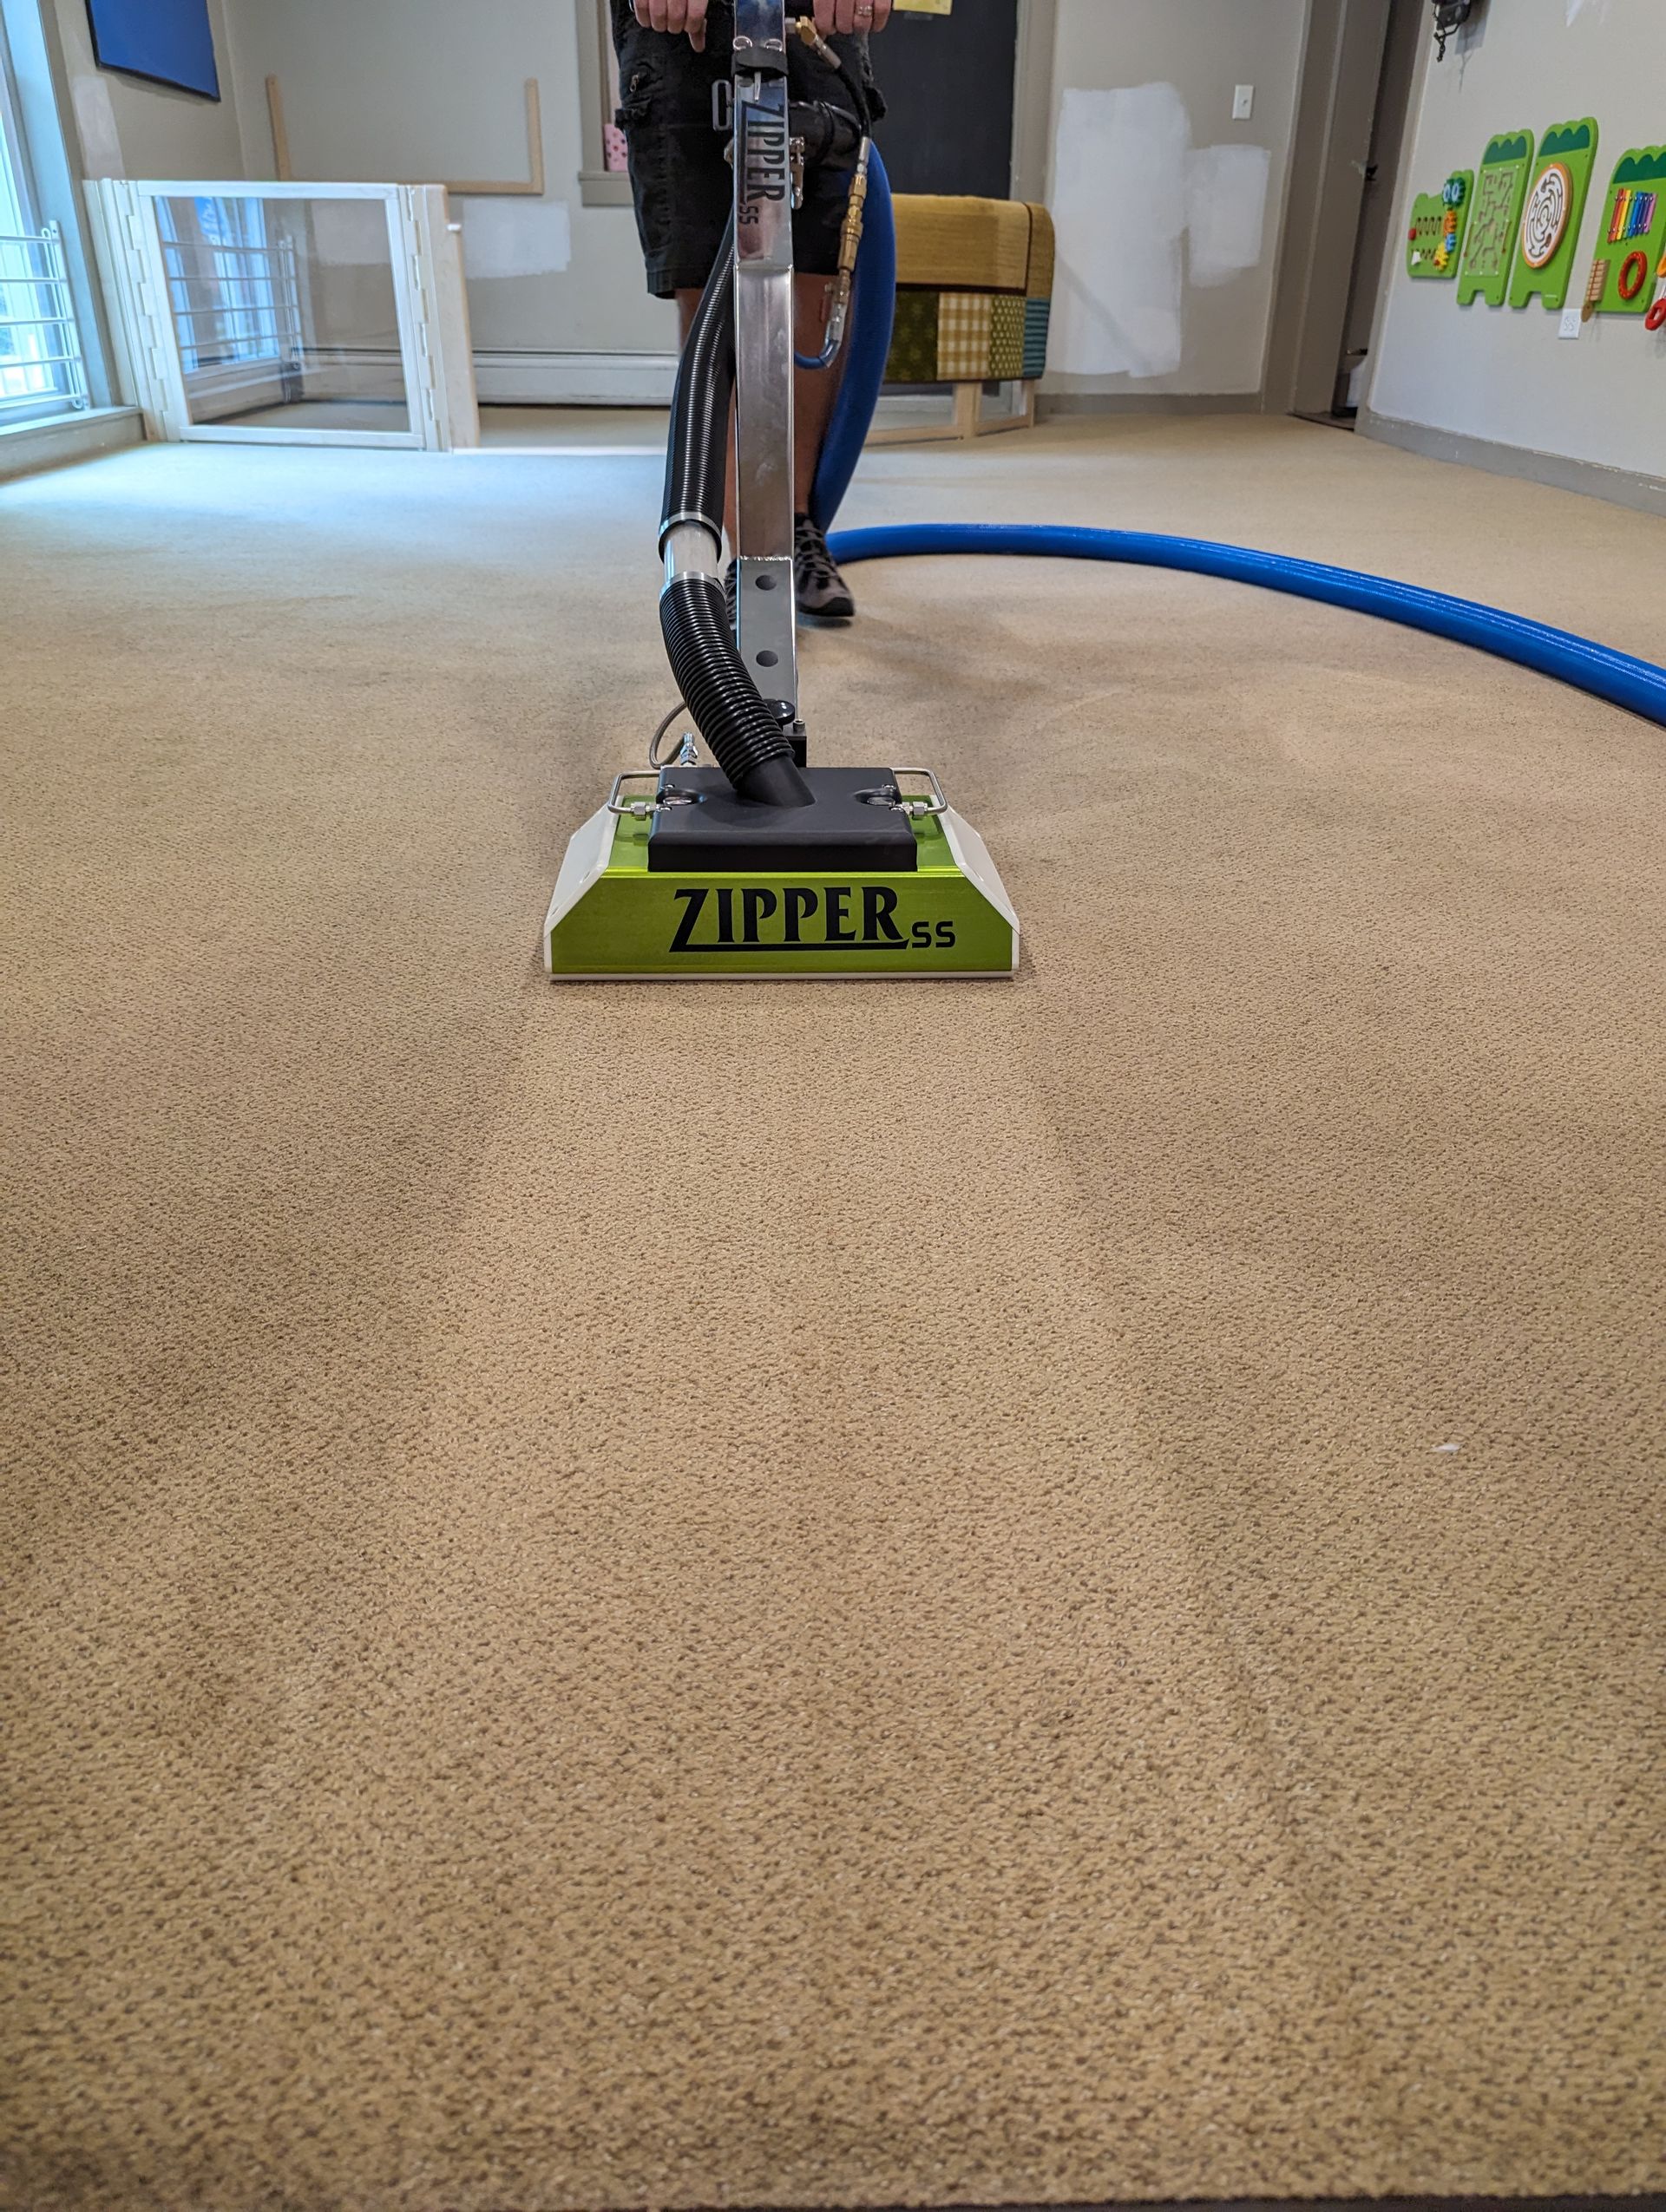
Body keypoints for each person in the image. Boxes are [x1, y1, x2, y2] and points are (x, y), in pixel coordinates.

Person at [613, 0, 892, 619]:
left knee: (818, 281)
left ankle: (790, 527)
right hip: (682, 29)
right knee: (708, 280)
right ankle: (743, 552)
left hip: (812, 23)